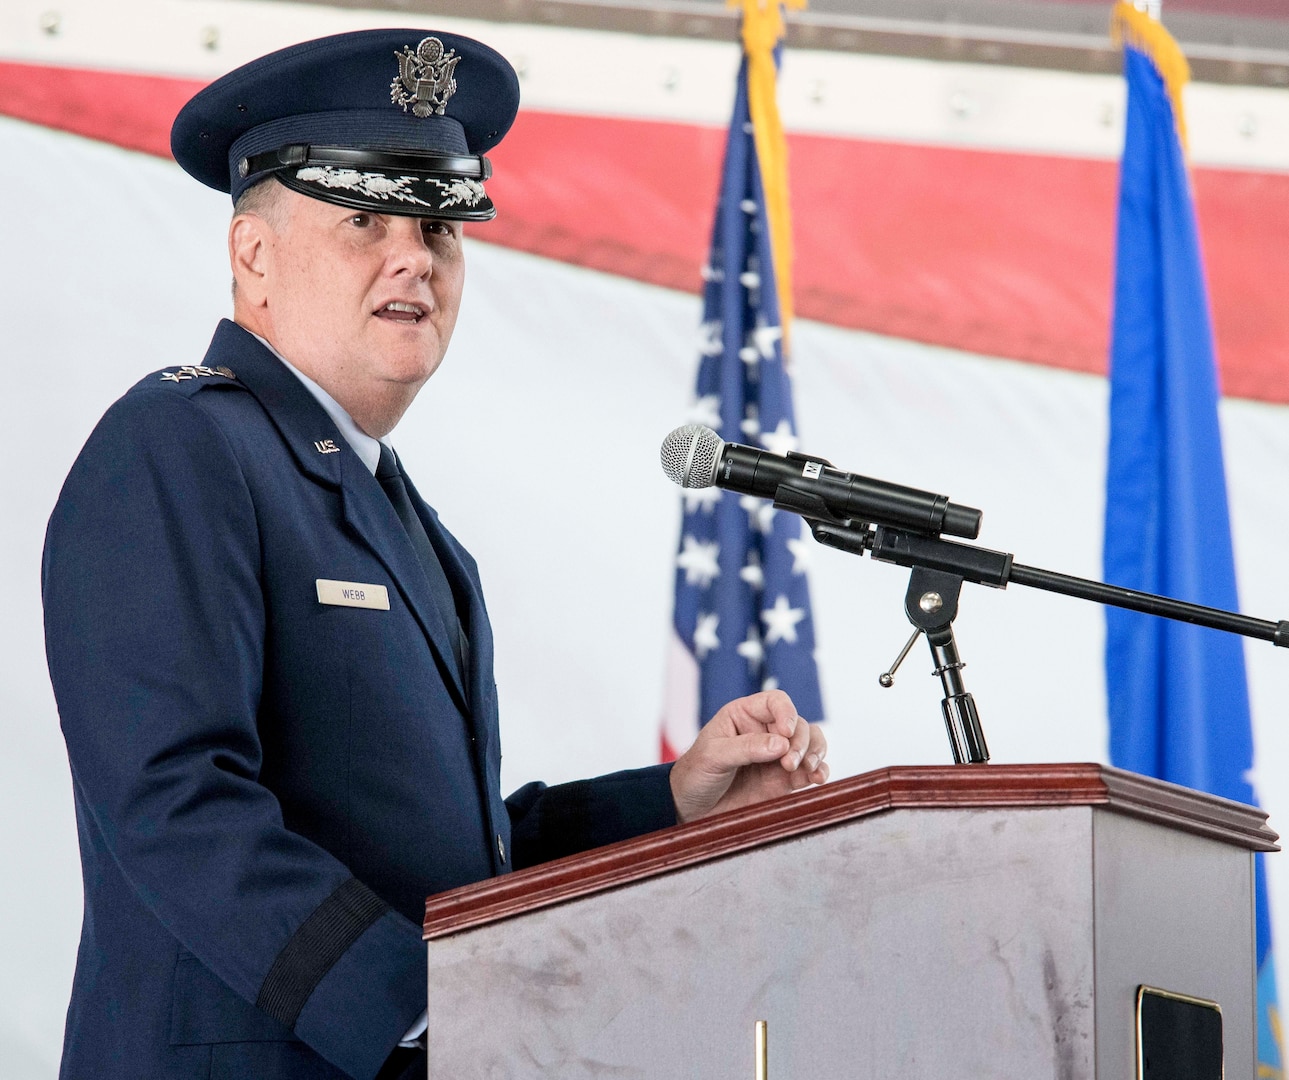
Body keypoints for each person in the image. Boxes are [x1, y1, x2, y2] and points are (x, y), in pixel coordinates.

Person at [41, 27, 828, 1080]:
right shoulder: (179, 448)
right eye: (364, 219)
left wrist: (673, 799)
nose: (413, 254)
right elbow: (176, 802)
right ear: (253, 254)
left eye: (439, 230)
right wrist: (433, 1009)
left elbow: (458, 865)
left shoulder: (412, 527)